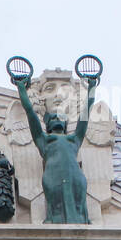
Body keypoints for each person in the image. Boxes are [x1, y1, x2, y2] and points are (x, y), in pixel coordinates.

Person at [12, 72, 98, 223]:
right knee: (55, 203)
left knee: (78, 204)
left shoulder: (74, 139)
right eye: (53, 118)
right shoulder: (43, 140)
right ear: (48, 124)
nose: (57, 119)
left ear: (65, 125)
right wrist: (22, 90)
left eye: (60, 118)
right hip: (53, 175)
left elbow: (85, 114)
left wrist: (92, 88)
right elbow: (30, 113)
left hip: (75, 176)